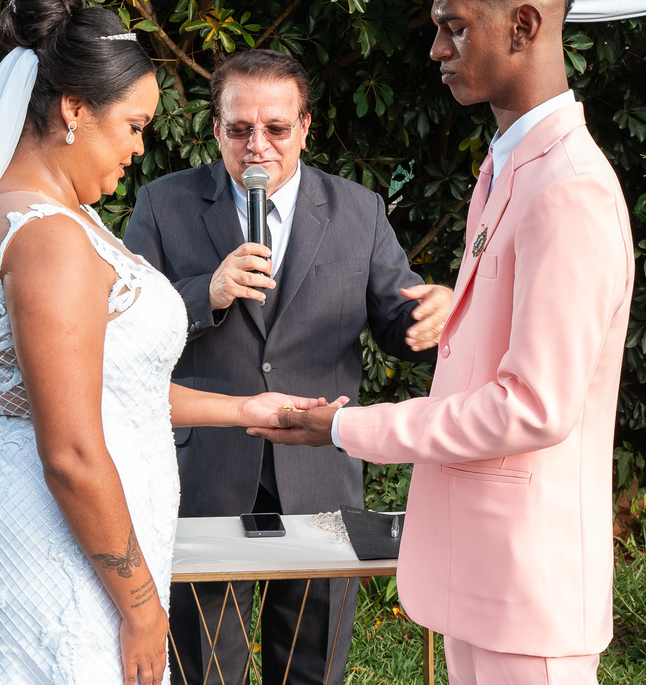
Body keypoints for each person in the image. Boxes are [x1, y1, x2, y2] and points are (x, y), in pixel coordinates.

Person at [0, 0, 334, 685]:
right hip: (60, 553)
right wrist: (141, 608)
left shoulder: (56, 216)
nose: (140, 147)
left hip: (82, 544)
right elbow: (72, 450)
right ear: (75, 109)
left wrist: (245, 410)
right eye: (134, 125)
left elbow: (109, 390)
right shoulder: (49, 239)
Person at [253, 0, 635, 685]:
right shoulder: (510, 168)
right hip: (484, 570)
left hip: (530, 579)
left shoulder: (569, 189)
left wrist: (346, 427)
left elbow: (533, 407)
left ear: (524, 25)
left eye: (455, 27)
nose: (436, 49)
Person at [124, 49, 452, 685]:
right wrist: (205, 293)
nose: (257, 146)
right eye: (240, 129)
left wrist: (438, 317)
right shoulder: (164, 204)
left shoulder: (358, 210)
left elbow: (399, 322)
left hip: (319, 470)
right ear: (215, 128)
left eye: (276, 128)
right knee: (203, 667)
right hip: (205, 471)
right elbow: (127, 330)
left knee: (311, 666)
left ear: (305, 127)